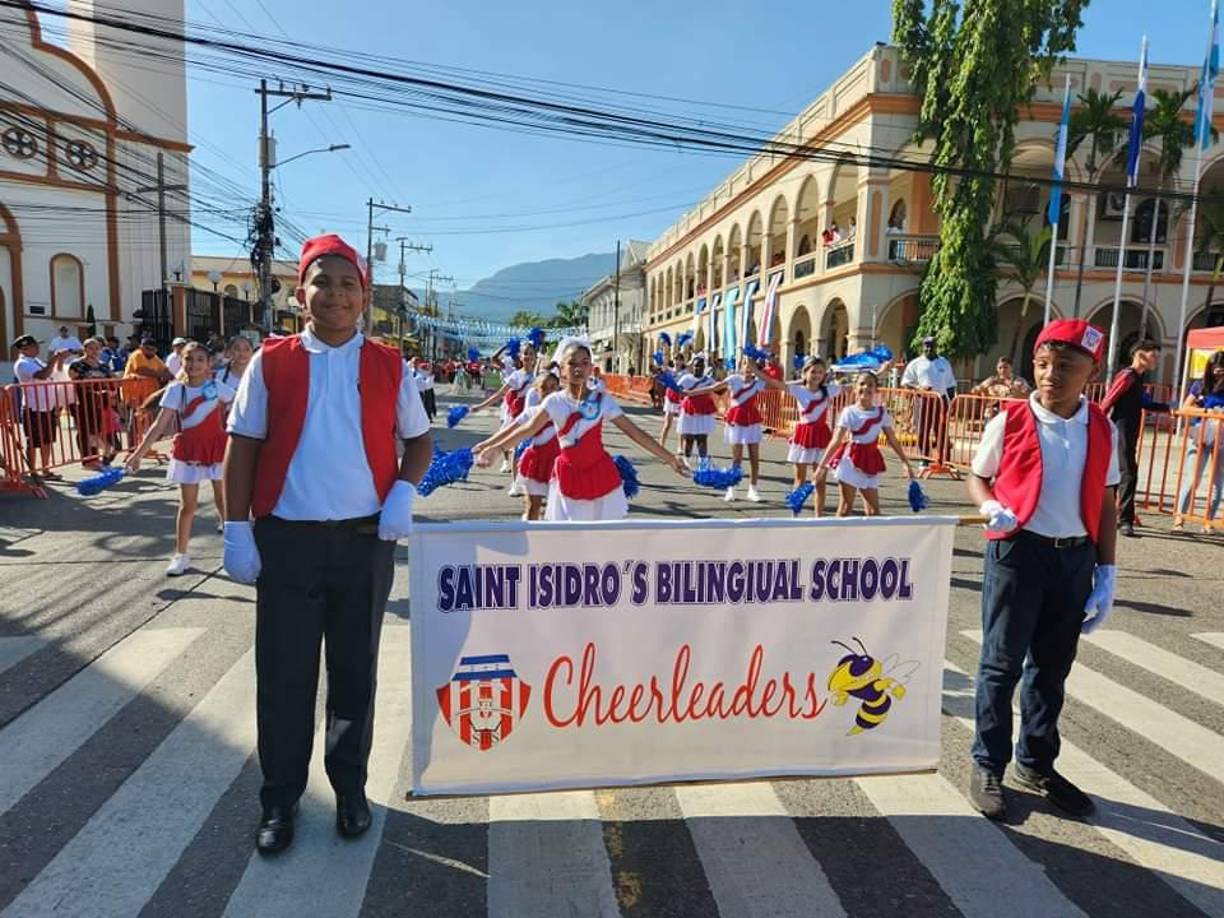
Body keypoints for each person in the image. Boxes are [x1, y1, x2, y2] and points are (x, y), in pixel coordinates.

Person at [221, 233, 432, 856]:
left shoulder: (390, 365)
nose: (335, 295)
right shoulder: (273, 361)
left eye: (348, 284)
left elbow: (417, 441)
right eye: (323, 282)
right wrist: (237, 528)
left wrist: (403, 492)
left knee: (354, 674)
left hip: (362, 544)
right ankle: (280, 799)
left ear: (364, 296)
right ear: (299, 292)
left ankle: (349, 789)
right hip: (286, 543)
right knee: (283, 677)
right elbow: (243, 447)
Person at [965, 319, 1119, 822]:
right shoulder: (1008, 421)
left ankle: (1036, 762)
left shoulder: (1101, 426)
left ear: (1091, 371)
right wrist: (989, 507)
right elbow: (978, 477)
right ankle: (988, 761)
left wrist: (1106, 570)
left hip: (1073, 557)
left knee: (1052, 668)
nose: (1051, 375)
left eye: (1065, 366)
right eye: (1043, 365)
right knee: (1000, 663)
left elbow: (1106, 499)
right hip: (1019, 552)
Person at [474, 337, 686, 520]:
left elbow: (635, 433)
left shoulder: (602, 400)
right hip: (568, 475)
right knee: (569, 541)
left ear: (591, 369)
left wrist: (670, 458)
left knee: (600, 540)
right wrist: (496, 449)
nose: (578, 368)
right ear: (563, 371)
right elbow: (527, 429)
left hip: (600, 475)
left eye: (584, 363)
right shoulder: (554, 402)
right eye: (572, 363)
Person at [126, 341, 234, 574]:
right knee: (187, 507)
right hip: (188, 451)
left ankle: (233, 552)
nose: (193, 364)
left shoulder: (217, 387)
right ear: (181, 361)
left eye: (199, 360)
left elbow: (239, 408)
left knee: (223, 502)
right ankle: (181, 555)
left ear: (208, 364)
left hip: (216, 449)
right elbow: (158, 426)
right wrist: (138, 455)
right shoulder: (176, 390)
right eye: (188, 359)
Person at [816, 371, 915, 516]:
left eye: (870, 385)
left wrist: (905, 462)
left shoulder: (881, 413)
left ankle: (869, 539)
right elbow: (836, 439)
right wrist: (822, 466)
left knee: (873, 511)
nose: (866, 387)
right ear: (855, 388)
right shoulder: (849, 412)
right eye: (862, 384)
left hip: (871, 461)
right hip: (851, 461)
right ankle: (834, 538)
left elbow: (892, 439)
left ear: (876, 389)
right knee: (845, 508)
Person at [1101, 339, 1170, 537]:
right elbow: (1108, 400)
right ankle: (1124, 520)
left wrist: (1167, 408)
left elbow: (1143, 402)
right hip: (1120, 430)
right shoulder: (1127, 376)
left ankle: (1114, 516)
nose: (1156, 359)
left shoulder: (1137, 378)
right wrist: (1095, 421)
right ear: (1140, 354)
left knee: (1121, 474)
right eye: (1153, 355)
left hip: (1128, 432)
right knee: (1127, 473)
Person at [685, 355, 767, 502]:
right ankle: (732, 488)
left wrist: (757, 371)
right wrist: (690, 393)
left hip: (752, 419)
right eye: (746, 365)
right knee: (737, 458)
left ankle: (753, 489)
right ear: (740, 366)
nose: (748, 368)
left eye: (751, 365)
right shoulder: (733, 379)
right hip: (737, 418)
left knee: (754, 457)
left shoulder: (758, 383)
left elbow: (776, 383)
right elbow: (712, 388)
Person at [770, 356, 839, 515]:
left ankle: (818, 517)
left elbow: (852, 387)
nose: (817, 375)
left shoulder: (828, 390)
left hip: (821, 435)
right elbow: (774, 383)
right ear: (805, 373)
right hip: (804, 435)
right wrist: (754, 368)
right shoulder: (798, 390)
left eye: (820, 372)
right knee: (799, 479)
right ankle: (796, 514)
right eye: (813, 371)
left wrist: (881, 370)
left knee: (820, 480)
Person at [470, 342, 539, 479]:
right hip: (518, 416)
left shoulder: (540, 376)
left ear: (535, 357)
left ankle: (528, 480)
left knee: (533, 450)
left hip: (535, 417)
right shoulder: (516, 376)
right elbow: (500, 394)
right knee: (517, 448)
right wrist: (481, 406)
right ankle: (515, 482)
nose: (528, 356)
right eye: (525, 353)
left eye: (531, 353)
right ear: (520, 356)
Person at [1173, 350, 1224, 531]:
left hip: (1223, 439)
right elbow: (1185, 407)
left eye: (1222, 370)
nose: (1218, 373)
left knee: (1218, 484)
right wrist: (1205, 412)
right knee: (1192, 479)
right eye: (1215, 369)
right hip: (1201, 435)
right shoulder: (1200, 385)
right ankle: (1180, 517)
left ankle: (1208, 521)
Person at [13, 335, 67, 479]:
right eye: (35, 346)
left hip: (46, 406)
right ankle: (33, 471)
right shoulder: (22, 363)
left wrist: (59, 360)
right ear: (25, 348)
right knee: (33, 441)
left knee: (48, 440)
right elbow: (43, 375)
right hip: (33, 407)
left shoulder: (36, 361)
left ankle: (45, 469)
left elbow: (52, 374)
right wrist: (54, 359)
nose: (38, 348)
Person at [514, 366, 562, 520]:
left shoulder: (565, 411)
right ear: (536, 390)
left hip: (559, 466)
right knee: (533, 507)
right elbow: (510, 433)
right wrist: (490, 447)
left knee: (559, 509)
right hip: (536, 465)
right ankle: (530, 536)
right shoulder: (532, 413)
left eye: (553, 387)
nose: (549, 391)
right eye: (544, 387)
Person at [902, 336, 957, 462]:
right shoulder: (916, 363)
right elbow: (906, 383)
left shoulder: (944, 363)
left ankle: (944, 460)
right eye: (926, 345)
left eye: (931, 345)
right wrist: (919, 388)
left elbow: (950, 385)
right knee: (922, 430)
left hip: (941, 400)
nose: (928, 348)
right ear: (922, 347)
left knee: (942, 430)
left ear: (936, 346)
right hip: (923, 400)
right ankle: (924, 458)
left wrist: (952, 403)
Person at [67, 337, 119, 467]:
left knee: (98, 431)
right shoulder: (77, 364)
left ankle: (99, 457)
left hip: (103, 403)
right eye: (91, 348)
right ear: (84, 349)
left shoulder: (103, 365)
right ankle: (89, 459)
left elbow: (112, 380)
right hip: (84, 402)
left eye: (97, 348)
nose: (94, 351)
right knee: (87, 431)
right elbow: (74, 379)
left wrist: (113, 392)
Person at [676, 355, 717, 466]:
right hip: (689, 410)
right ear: (692, 367)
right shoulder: (686, 378)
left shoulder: (709, 380)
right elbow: (677, 390)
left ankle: (702, 462)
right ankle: (686, 461)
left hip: (703, 411)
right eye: (695, 366)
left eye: (700, 366)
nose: (697, 368)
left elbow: (720, 390)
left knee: (702, 438)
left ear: (704, 367)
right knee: (689, 438)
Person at [658, 354, 686, 456]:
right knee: (667, 424)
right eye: (676, 359)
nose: (678, 362)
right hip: (670, 398)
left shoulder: (685, 373)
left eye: (680, 360)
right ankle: (661, 445)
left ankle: (680, 447)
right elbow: (662, 369)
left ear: (683, 362)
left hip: (680, 398)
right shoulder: (669, 371)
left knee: (681, 425)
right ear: (673, 361)